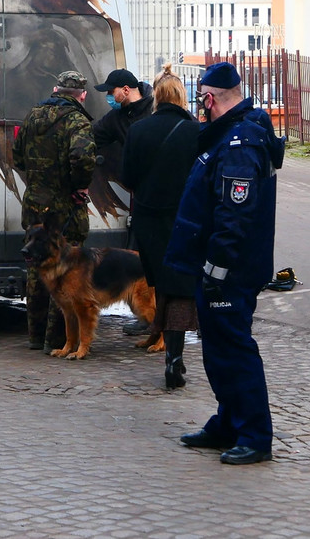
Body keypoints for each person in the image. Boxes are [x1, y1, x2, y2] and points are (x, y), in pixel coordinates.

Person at [164, 61, 286, 465]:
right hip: (217, 269)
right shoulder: (227, 137)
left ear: (210, 98)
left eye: (202, 101)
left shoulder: (239, 143)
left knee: (234, 350)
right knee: (217, 351)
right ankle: (229, 422)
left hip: (229, 272)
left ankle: (254, 434)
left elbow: (235, 216)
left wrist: (216, 271)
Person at [121, 64, 201, 389]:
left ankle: (161, 339)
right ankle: (174, 357)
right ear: (181, 97)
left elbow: (127, 178)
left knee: (160, 284)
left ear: (156, 97)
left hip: (149, 220)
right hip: (185, 220)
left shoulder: (139, 130)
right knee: (180, 288)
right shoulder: (196, 131)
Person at [11, 70, 97, 353]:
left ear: (55, 89)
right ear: (82, 95)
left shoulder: (33, 115)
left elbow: (18, 156)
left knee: (37, 270)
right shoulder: (77, 120)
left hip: (34, 203)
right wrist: (80, 187)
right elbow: (83, 158)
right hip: (64, 209)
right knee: (67, 273)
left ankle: (35, 337)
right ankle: (57, 341)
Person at [92, 68, 155, 334]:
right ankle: (147, 318)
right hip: (140, 196)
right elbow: (92, 136)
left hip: (164, 193)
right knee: (139, 256)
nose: (108, 96)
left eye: (111, 91)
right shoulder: (117, 118)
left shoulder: (156, 109)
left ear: (126, 90)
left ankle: (180, 316)